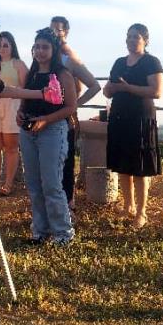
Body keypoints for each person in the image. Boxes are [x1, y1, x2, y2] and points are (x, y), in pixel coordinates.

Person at [18, 28, 78, 245]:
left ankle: (62, 232)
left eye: (45, 47)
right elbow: (24, 100)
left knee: (52, 184)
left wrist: (46, 120)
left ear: (53, 50)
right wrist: (20, 113)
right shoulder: (31, 74)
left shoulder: (63, 74)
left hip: (52, 131)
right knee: (34, 184)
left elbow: (70, 107)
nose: (40, 51)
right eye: (37, 47)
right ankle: (40, 231)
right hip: (29, 132)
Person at [103, 24, 163, 229]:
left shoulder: (151, 62)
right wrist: (112, 88)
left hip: (140, 117)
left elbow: (156, 91)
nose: (131, 40)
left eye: (135, 37)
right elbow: (107, 91)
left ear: (145, 40)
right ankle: (128, 205)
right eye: (128, 36)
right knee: (122, 165)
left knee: (139, 168)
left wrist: (127, 87)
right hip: (119, 116)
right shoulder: (119, 62)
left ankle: (141, 212)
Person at [49, 16, 100, 212]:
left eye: (58, 30)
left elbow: (93, 85)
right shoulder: (44, 56)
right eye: (51, 29)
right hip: (46, 118)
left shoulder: (68, 56)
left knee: (66, 161)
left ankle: (68, 204)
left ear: (66, 33)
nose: (54, 33)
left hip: (65, 118)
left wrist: (75, 104)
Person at [0, 31, 28, 196]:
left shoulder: (19, 64)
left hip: (13, 105)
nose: (2, 48)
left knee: (11, 147)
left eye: (6, 45)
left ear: (12, 46)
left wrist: (22, 108)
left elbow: (25, 88)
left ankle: (8, 183)